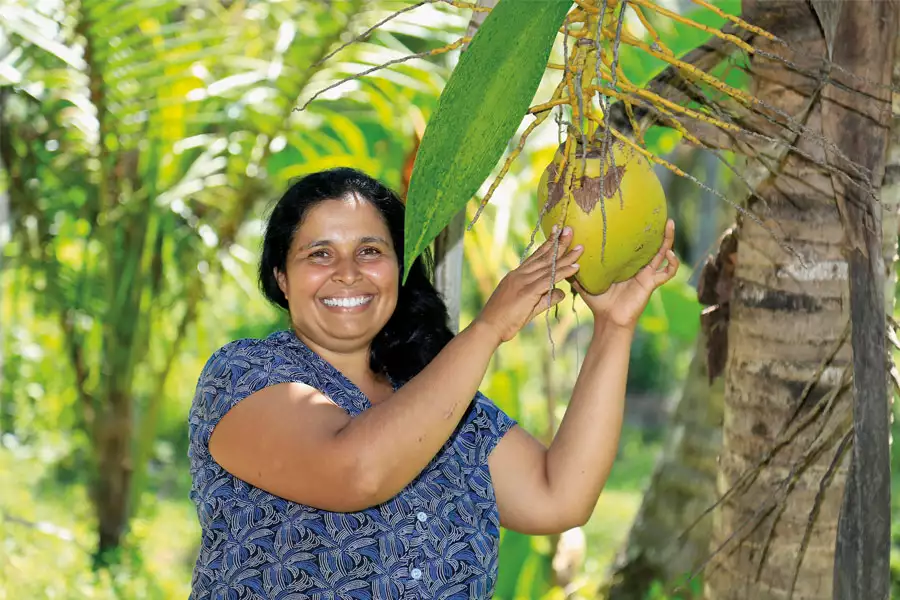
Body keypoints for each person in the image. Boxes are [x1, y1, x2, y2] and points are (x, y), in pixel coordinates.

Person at [187, 167, 679, 599]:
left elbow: (558, 495)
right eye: (319, 254)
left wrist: (614, 327)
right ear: (282, 278)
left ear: (398, 269)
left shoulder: (432, 389)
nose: (348, 273)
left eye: (370, 250)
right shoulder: (243, 376)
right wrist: (488, 330)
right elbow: (357, 470)